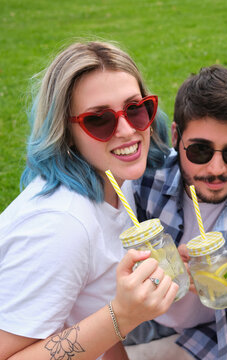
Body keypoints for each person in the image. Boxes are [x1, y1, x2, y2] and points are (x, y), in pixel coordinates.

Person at [0, 41, 178, 360]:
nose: (126, 130)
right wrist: (122, 315)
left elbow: (85, 317)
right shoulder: (62, 227)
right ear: (66, 132)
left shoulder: (112, 181)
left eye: (136, 109)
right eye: (99, 119)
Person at [127, 65, 227, 360]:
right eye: (200, 151)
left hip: (214, 328)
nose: (216, 170)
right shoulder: (145, 178)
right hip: (141, 317)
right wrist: (163, 265)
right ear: (176, 137)